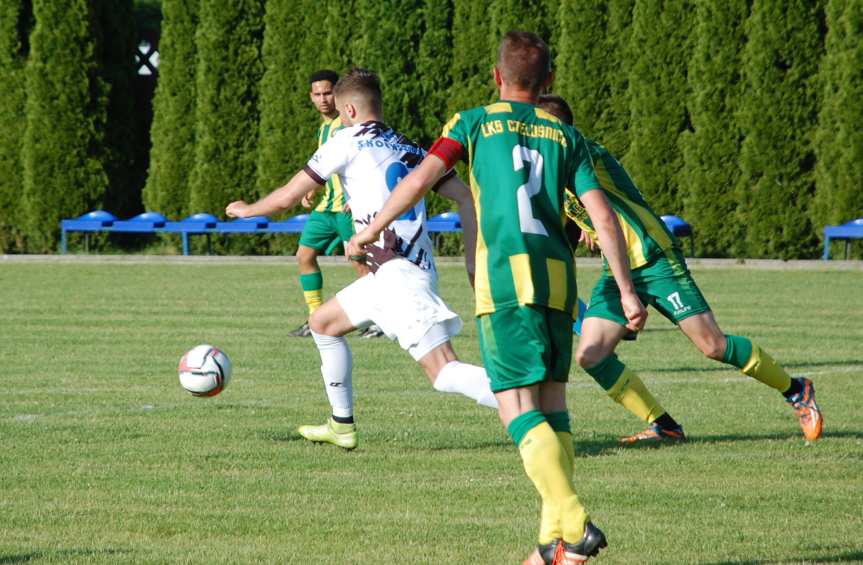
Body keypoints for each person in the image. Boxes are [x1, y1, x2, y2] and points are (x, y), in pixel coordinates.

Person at [350, 32, 646, 565]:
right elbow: (603, 218)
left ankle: (573, 522)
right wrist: (626, 291)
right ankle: (552, 541)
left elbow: (421, 180)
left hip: (506, 283)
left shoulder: (472, 122)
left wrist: (375, 226)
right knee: (553, 409)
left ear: (496, 77)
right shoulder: (565, 133)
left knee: (516, 408)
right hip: (559, 283)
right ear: (549, 82)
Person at [226, 67, 497, 451]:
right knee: (323, 323)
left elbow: (288, 197)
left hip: (398, 278)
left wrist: (246, 209)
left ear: (349, 111)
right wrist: (473, 261)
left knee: (444, 372)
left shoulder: (345, 141)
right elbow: (466, 196)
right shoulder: (410, 146)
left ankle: (530, 411)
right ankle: (341, 424)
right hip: (395, 274)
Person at [536, 93, 824, 444]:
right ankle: (664, 425)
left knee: (713, 346)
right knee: (591, 355)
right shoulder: (552, 166)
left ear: (557, 129)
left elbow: (597, 201)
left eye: (537, 128)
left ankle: (797, 390)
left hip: (657, 260)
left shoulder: (582, 151)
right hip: (619, 271)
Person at [289, 69, 382, 339]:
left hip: (345, 209)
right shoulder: (324, 128)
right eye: (317, 94)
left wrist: (356, 198)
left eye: (328, 93)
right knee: (304, 255)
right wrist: (314, 188)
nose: (323, 99)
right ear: (310, 97)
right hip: (325, 209)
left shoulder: (348, 125)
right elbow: (327, 166)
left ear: (338, 94)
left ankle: (378, 317)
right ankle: (314, 316)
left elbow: (365, 161)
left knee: (359, 262)